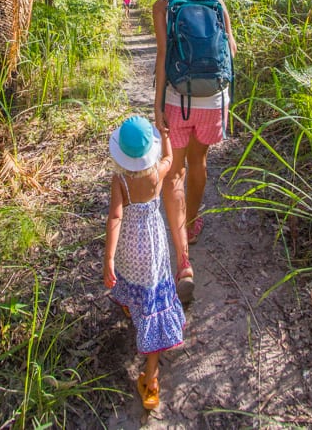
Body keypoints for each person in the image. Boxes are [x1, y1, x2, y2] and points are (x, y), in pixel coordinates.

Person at [153, 0, 237, 305]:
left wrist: (157, 104)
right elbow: (231, 50)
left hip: (178, 98)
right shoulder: (217, 3)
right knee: (199, 164)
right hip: (212, 99)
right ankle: (193, 222)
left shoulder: (164, 5)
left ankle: (183, 260)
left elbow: (162, 56)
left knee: (174, 172)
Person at [104, 115, 185, 411]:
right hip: (153, 249)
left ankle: (131, 305)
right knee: (154, 298)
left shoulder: (120, 180)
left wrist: (109, 259)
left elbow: (115, 217)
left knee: (132, 282)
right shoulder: (157, 174)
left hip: (128, 248)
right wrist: (164, 134)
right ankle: (151, 379)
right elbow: (169, 156)